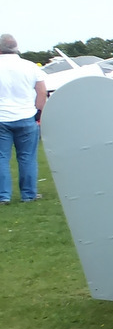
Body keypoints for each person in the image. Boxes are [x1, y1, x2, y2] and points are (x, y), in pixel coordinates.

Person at [0, 34, 48, 204]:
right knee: (27, 157)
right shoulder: (30, 66)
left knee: (1, 158)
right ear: (16, 48)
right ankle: (28, 194)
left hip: (1, 118)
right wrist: (38, 112)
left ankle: (3, 195)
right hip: (26, 115)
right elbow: (42, 91)